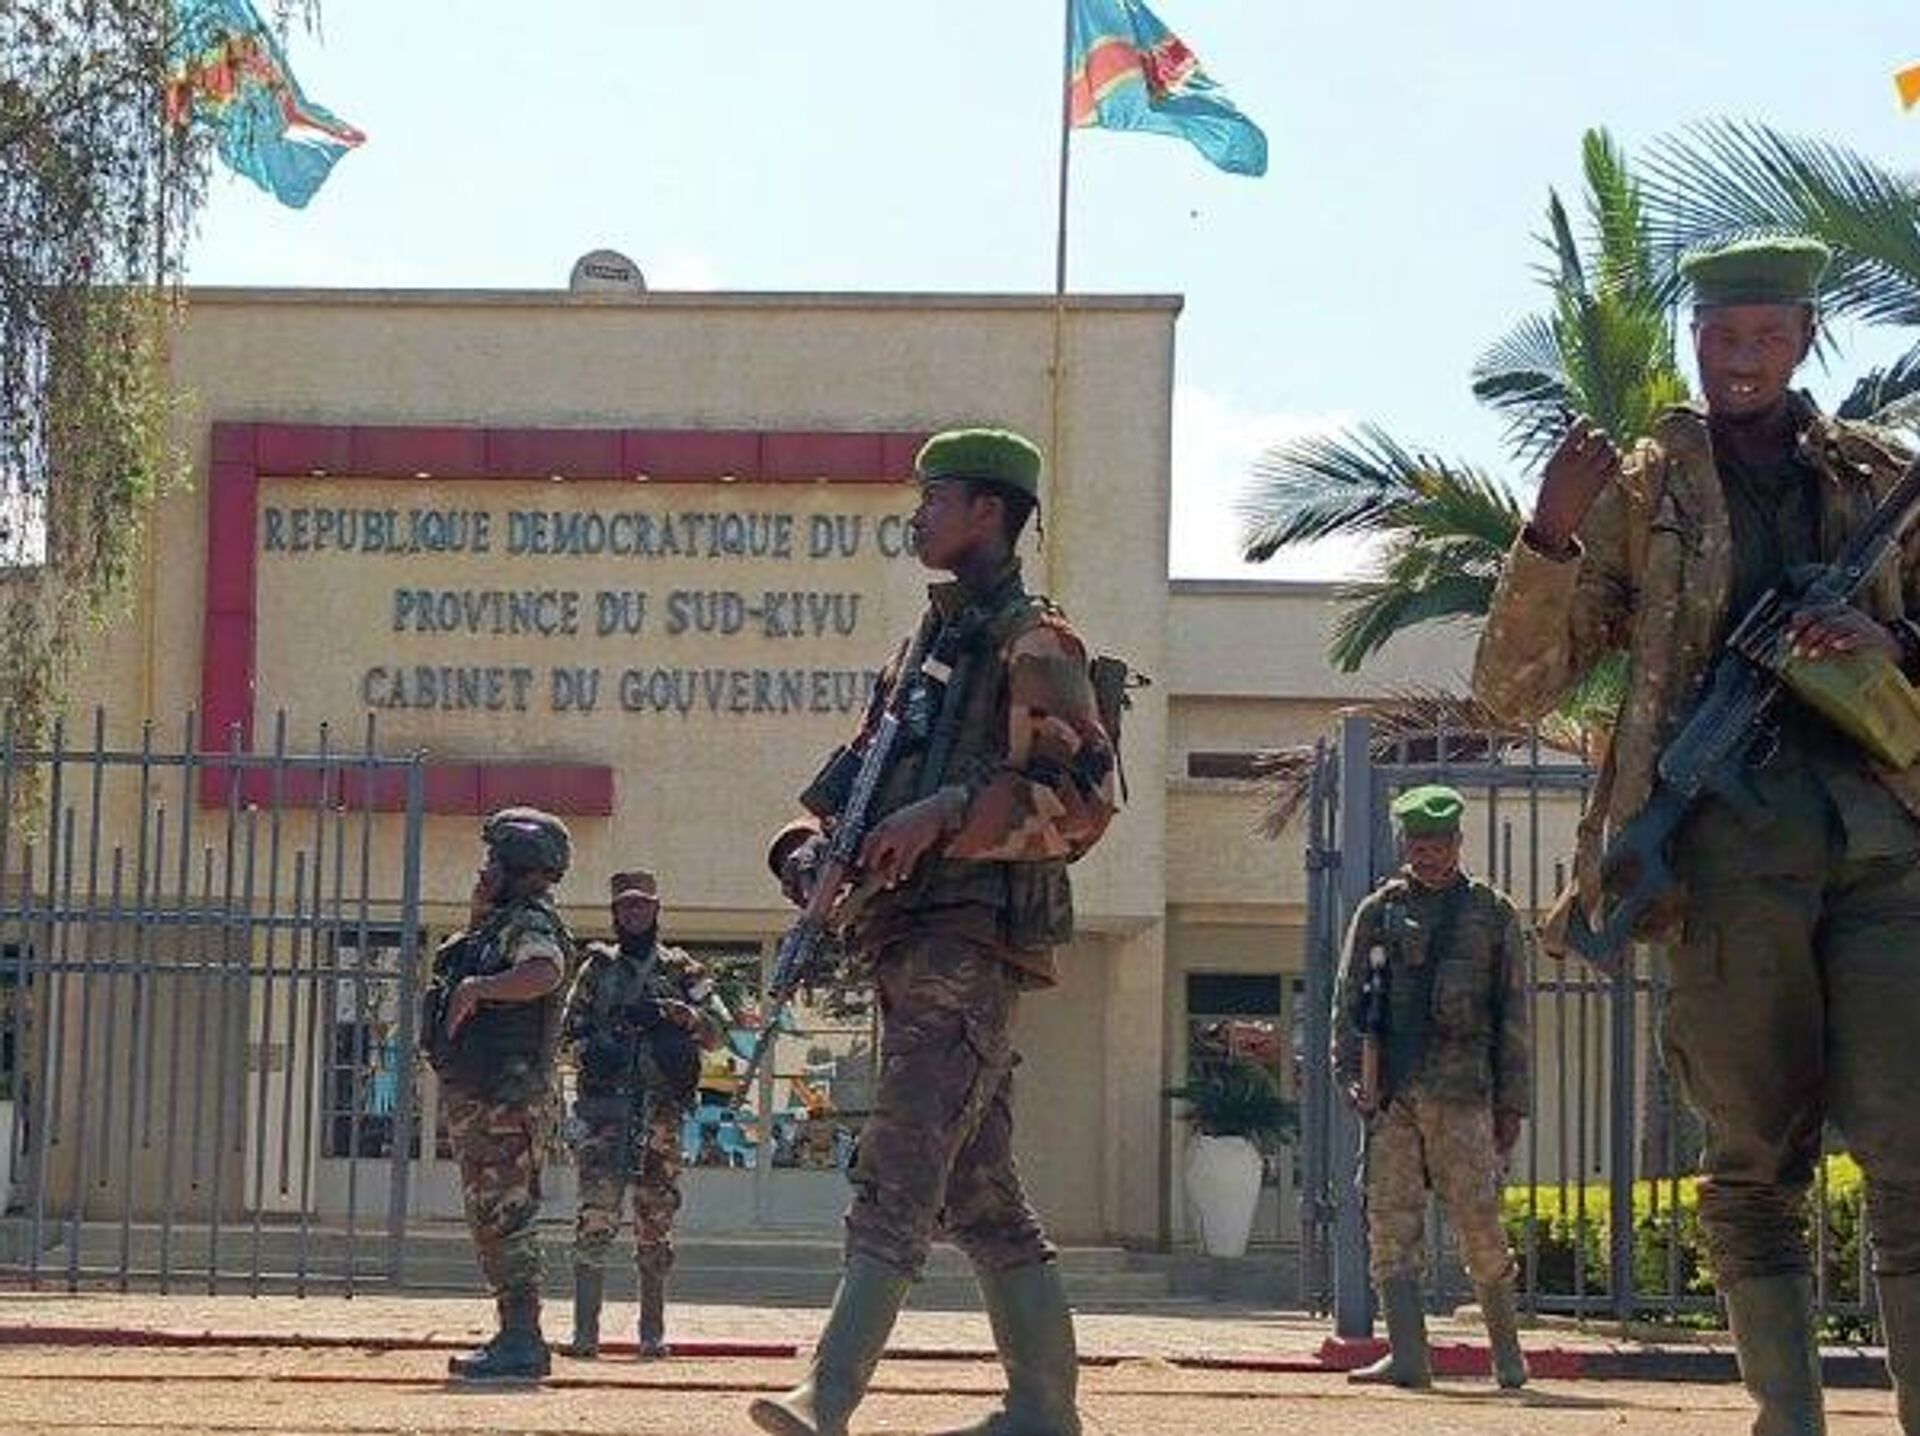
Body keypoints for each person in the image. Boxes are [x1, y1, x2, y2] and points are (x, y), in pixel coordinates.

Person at [1474, 235, 1920, 1435]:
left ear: (1809, 337)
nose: (1744, 359)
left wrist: (1889, 641)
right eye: (1723, 336)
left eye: (1769, 335)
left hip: (1884, 845)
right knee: (1755, 1154)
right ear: (1695, 339)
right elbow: (1515, 689)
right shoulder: (1642, 493)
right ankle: (1789, 1418)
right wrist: (1549, 538)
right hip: (1728, 855)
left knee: (1913, 1146)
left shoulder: (1883, 480)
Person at [749, 428, 1118, 1436]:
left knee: (903, 1154)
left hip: (971, 938)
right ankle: (1043, 1406)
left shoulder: (1035, 642)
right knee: (980, 1189)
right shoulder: (923, 653)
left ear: (989, 512)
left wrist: (948, 813)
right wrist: (806, 854)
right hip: (904, 935)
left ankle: (828, 1391)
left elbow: (1084, 800)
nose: (917, 517)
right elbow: (848, 792)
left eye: (935, 498)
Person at [1331, 784, 1531, 1390]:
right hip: (1393, 1092)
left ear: (1458, 843)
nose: (1428, 855)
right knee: (1390, 1221)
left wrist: (1512, 1102)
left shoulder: (1492, 914)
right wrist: (1350, 1074)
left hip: (1462, 1090)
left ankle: (1507, 1355)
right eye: (1418, 844)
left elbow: (1513, 1013)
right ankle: (1409, 1356)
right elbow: (1348, 1000)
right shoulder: (1378, 912)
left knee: (1479, 1219)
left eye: (1438, 844)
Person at [558, 868, 729, 1359]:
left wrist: (673, 1013)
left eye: (642, 905)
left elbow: (718, 1030)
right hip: (605, 1112)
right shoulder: (596, 971)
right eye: (626, 906)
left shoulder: (683, 971)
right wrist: (594, 1050)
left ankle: (652, 1334)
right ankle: (585, 1334)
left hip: (661, 1114)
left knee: (656, 1220)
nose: (634, 913)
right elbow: (567, 1035)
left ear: (656, 910)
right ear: (615, 913)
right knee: (595, 1216)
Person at [433, 807, 575, 1381]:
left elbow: (544, 971)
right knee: (492, 1216)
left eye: (493, 857)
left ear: (517, 862)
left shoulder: (529, 922)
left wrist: (479, 988)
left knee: (506, 1215)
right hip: (487, 1093)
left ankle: (522, 1340)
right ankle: (514, 1334)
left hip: (507, 1098)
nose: (484, 867)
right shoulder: (496, 924)